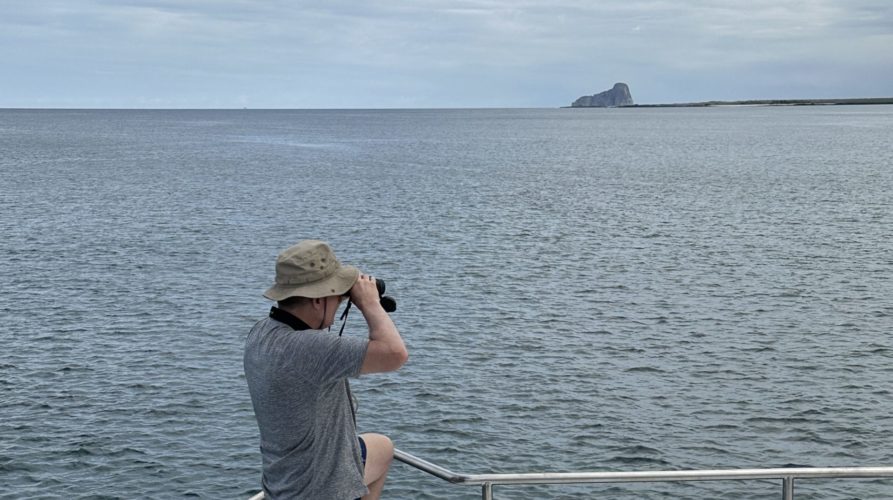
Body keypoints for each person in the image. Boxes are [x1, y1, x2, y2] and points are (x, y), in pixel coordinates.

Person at [244, 240, 409, 499]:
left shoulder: (260, 333)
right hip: (321, 490)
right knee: (382, 448)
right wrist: (369, 303)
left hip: (283, 484)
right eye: (337, 294)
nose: (341, 300)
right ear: (318, 300)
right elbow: (395, 354)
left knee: (382, 448)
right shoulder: (310, 348)